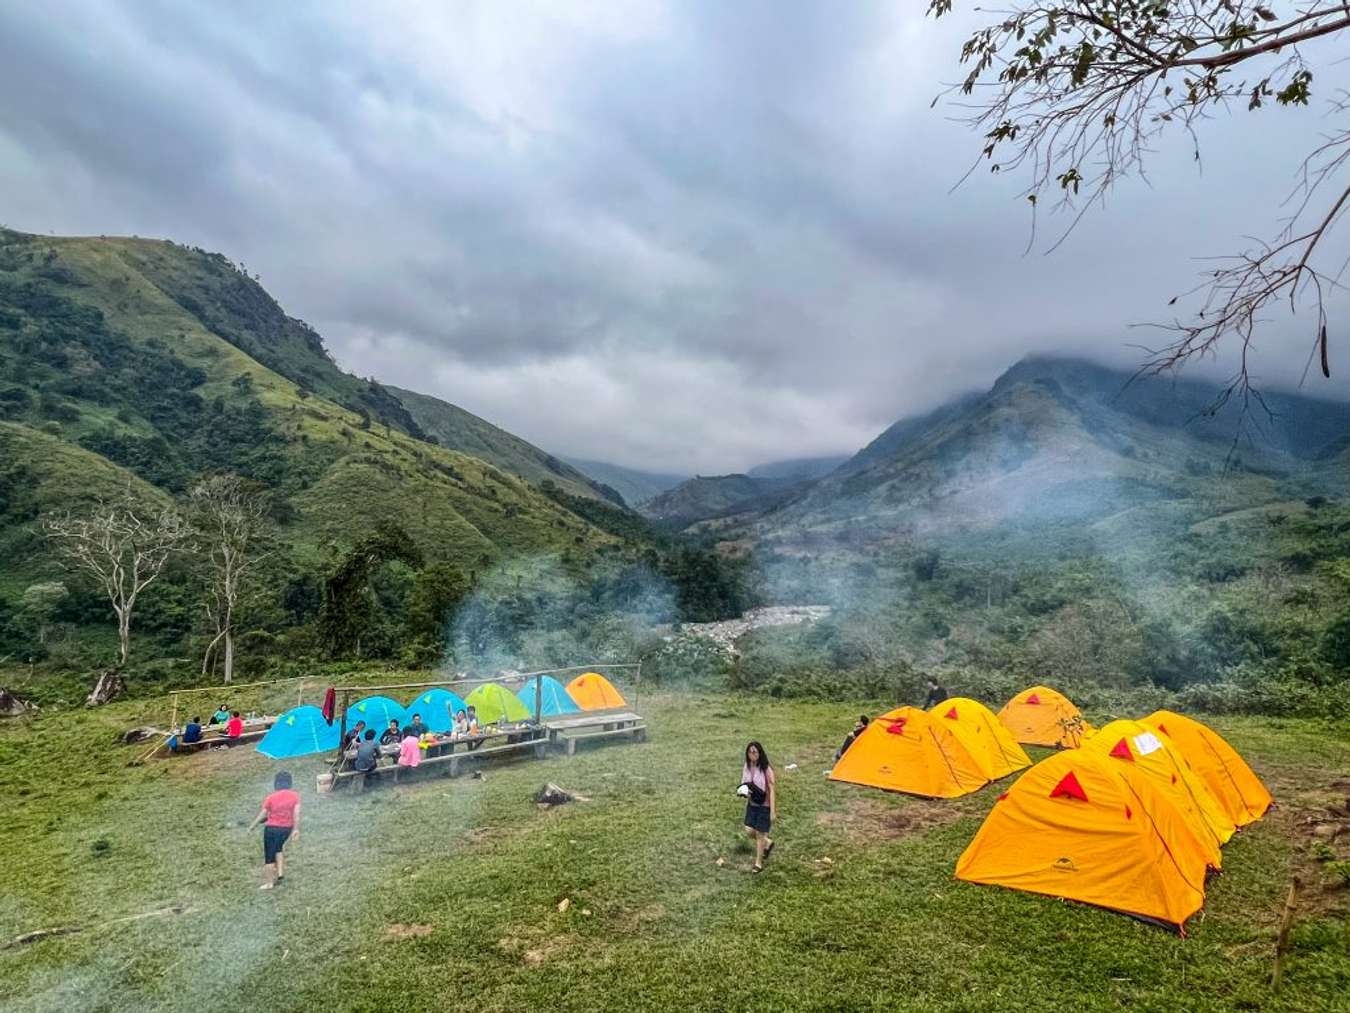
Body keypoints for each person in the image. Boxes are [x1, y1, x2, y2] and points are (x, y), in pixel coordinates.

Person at [248, 770, 300, 890]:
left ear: (276, 783)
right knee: (278, 848)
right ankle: (280, 875)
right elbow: (296, 814)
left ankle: (269, 883)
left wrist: (252, 826)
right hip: (287, 829)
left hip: (271, 830)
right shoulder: (295, 796)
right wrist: (296, 829)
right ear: (289, 783)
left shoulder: (271, 798)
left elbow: (263, 814)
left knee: (269, 856)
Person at [740, 741, 776, 873]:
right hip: (752, 804)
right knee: (749, 831)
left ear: (759, 753)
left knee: (760, 834)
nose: (752, 754)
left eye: (755, 752)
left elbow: (772, 789)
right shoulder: (747, 766)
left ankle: (758, 863)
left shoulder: (766, 768)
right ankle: (768, 843)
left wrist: (772, 811)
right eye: (750, 752)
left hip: (764, 806)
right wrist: (743, 792)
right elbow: (744, 783)